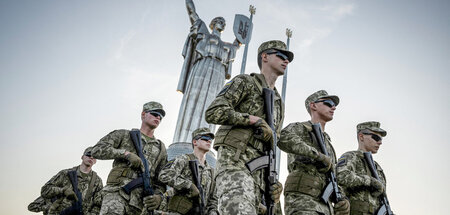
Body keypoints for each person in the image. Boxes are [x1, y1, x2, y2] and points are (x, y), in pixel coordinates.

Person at [205, 40, 293, 215]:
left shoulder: (278, 102)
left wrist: (274, 180)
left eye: (288, 59)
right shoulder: (245, 82)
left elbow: (274, 141)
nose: (286, 61)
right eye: (281, 56)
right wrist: (252, 120)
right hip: (235, 164)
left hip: (261, 175)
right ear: (265, 56)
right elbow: (213, 112)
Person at [173, 0, 241, 144]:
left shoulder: (226, 46)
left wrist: (242, 35)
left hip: (218, 73)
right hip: (202, 66)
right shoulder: (203, 33)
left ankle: (205, 141)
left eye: (224, 22)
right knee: (194, 98)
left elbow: (238, 42)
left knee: (212, 104)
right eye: (219, 21)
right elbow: (192, 13)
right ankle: (184, 140)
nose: (222, 23)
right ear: (213, 23)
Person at [278, 90, 350, 215]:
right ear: (313, 105)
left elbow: (332, 176)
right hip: (304, 200)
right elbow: (283, 138)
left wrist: (343, 199)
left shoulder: (328, 142)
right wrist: (317, 155)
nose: (333, 107)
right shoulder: (300, 128)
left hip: (326, 206)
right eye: (328, 103)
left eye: (334, 105)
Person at [92, 101, 168, 215]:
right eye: (154, 113)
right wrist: (125, 154)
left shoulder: (161, 149)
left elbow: (161, 180)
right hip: (116, 194)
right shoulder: (124, 135)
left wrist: (158, 197)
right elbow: (97, 150)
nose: (158, 117)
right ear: (143, 114)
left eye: (160, 116)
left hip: (139, 204)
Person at [158, 127, 218, 215]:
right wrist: (188, 185)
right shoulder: (184, 159)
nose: (209, 141)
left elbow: (213, 199)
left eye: (210, 140)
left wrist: (213, 212)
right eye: (205, 139)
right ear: (195, 142)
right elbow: (164, 174)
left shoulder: (211, 171)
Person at [337, 122, 390, 215]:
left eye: (381, 139)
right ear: (361, 137)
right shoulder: (351, 157)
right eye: (376, 137)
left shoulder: (378, 169)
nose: (380, 142)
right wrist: (368, 181)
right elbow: (341, 176)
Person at [31, 147, 103, 215]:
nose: (91, 157)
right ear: (82, 157)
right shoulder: (65, 174)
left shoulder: (97, 181)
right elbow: (45, 190)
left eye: (94, 156)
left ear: (96, 161)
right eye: (88, 154)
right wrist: (62, 190)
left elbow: (98, 204)